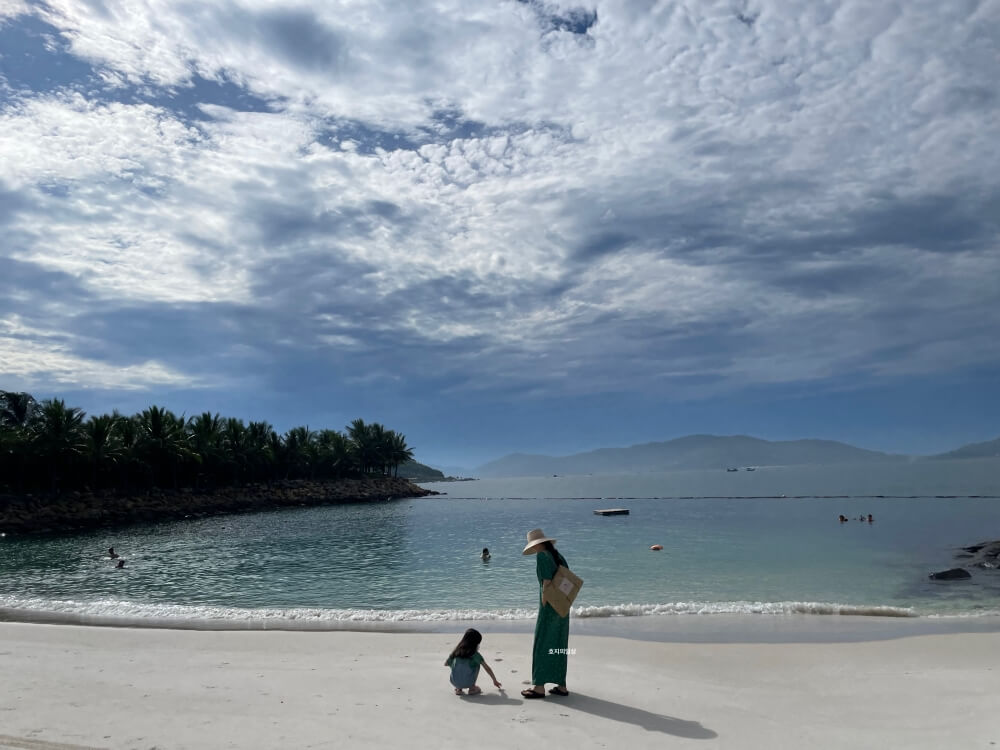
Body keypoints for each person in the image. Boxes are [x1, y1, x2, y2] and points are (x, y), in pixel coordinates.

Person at [521, 528, 570, 698]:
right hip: (563, 606)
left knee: (542, 644)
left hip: (549, 607)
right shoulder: (558, 555)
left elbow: (546, 583)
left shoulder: (542, 556)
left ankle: (539, 687)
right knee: (559, 645)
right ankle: (561, 685)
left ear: (536, 545)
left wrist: (544, 606)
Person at [444, 628, 502, 696]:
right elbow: (487, 668)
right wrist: (494, 680)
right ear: (475, 644)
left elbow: (446, 664)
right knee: (477, 664)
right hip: (469, 682)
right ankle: (472, 688)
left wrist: (457, 667)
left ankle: (459, 689)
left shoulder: (456, 651)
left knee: (456, 664)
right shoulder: (475, 655)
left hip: (454, 682)